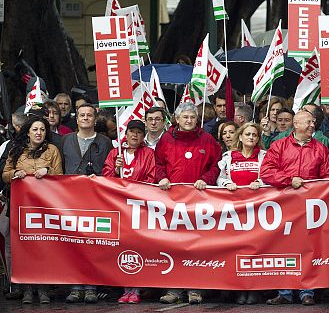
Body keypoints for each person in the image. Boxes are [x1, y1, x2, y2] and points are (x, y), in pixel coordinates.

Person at [261, 110, 329, 306]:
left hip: (309, 206)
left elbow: (326, 176)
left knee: (308, 248)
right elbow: (266, 171)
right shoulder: (279, 145)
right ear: (296, 124)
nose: (312, 125)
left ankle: (306, 292)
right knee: (283, 247)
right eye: (308, 122)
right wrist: (289, 180)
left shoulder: (320, 148)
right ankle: (284, 292)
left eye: (313, 122)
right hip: (283, 204)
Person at [155, 102, 222, 305]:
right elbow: (158, 163)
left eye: (192, 117)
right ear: (177, 119)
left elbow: (216, 165)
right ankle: (174, 289)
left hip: (199, 201)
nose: (189, 120)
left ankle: (195, 289)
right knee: (174, 246)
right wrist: (162, 178)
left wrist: (206, 179)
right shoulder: (166, 139)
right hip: (172, 202)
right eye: (185, 117)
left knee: (196, 246)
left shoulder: (207, 139)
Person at [2, 117, 62, 305]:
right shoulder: (15, 150)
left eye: (42, 130)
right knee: (23, 247)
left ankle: (43, 288)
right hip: (21, 207)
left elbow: (60, 176)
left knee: (43, 246)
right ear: (27, 132)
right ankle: (27, 289)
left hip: (45, 206)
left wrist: (47, 171)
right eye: (35, 129)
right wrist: (15, 174)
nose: (39, 133)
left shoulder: (52, 150)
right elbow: (5, 175)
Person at [60, 103, 113, 304]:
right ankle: (75, 287)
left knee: (92, 243)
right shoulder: (66, 140)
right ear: (77, 118)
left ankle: (91, 287)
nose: (85, 118)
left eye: (89, 115)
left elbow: (109, 169)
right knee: (73, 243)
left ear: (95, 119)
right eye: (82, 115)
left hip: (95, 199)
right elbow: (60, 167)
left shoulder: (105, 142)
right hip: (70, 200)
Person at [100, 119, 155, 304]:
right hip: (119, 207)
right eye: (132, 131)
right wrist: (116, 169)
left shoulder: (148, 153)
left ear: (143, 136)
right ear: (126, 133)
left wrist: (135, 191)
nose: (135, 135)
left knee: (138, 247)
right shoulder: (115, 153)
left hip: (139, 207)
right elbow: (106, 178)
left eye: (139, 132)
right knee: (122, 247)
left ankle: (136, 289)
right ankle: (125, 288)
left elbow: (151, 178)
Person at [217, 122, 266, 305]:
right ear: (241, 136)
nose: (251, 137)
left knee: (256, 250)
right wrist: (226, 184)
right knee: (237, 249)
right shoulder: (229, 156)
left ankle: (254, 290)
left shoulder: (264, 156)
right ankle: (239, 289)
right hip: (235, 211)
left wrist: (260, 182)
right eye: (248, 134)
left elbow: (269, 176)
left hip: (257, 211)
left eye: (254, 135)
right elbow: (219, 178)